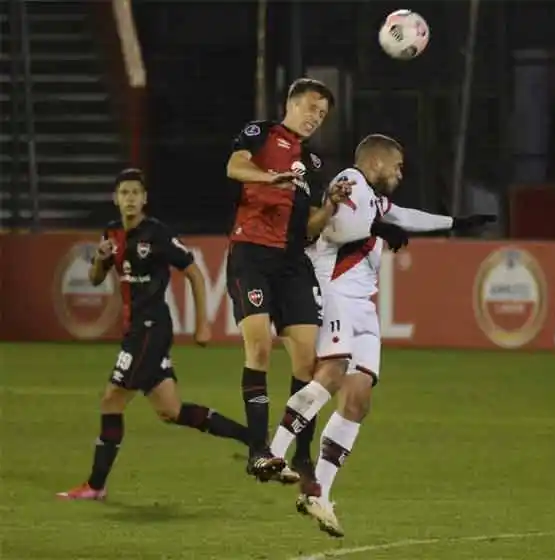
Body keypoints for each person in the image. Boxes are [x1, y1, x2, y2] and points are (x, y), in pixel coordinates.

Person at [268, 134, 495, 536]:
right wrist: (379, 229)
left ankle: (319, 493)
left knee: (358, 399)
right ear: (376, 161)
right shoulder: (350, 180)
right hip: (335, 292)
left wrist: (455, 223)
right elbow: (337, 228)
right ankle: (272, 453)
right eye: (397, 166)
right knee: (332, 372)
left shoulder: (374, 199)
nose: (400, 174)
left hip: (363, 306)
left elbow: (403, 216)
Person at [57, 168, 253, 501]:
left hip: (150, 330)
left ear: (144, 198)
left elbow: (194, 273)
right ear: (116, 198)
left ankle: (95, 485)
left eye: (136, 193)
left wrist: (203, 323)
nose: (130, 199)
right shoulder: (112, 233)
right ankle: (253, 438)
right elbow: (95, 279)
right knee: (171, 410)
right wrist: (100, 261)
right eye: (124, 193)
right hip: (134, 330)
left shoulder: (157, 234)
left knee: (112, 399)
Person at [225, 78, 352, 482]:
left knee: (307, 361)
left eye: (322, 114)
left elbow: (311, 227)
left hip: (293, 263)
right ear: (292, 104)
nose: (316, 117)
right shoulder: (261, 133)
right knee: (259, 347)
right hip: (252, 254)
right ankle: (258, 451)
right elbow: (234, 166)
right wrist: (271, 177)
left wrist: (329, 206)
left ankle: (300, 456)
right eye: (312, 107)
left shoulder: (313, 163)